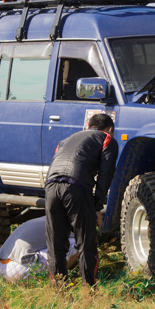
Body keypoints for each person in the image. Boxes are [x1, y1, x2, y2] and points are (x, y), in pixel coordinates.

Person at [45, 113, 118, 286]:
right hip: (75, 186)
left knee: (56, 245)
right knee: (86, 243)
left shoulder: (66, 140)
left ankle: (59, 293)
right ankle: (89, 292)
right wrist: (96, 206)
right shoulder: (107, 139)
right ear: (110, 129)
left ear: (88, 125)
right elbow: (105, 175)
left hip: (50, 186)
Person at [0, 216, 78, 281]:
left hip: (1, 267)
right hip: (19, 270)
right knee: (76, 244)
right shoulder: (61, 225)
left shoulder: (45, 219)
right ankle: (59, 278)